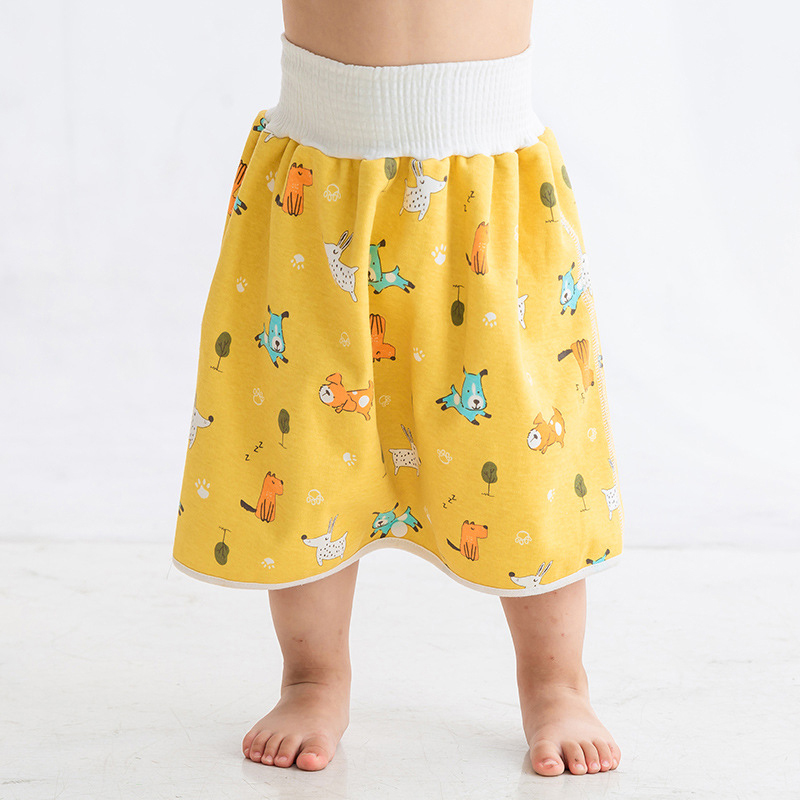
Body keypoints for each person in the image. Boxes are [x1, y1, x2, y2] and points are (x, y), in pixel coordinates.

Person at [171, 0, 625, 777]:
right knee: (304, 450)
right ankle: (312, 677)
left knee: (524, 454)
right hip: (319, 182)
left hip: (485, 185)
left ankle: (556, 682)